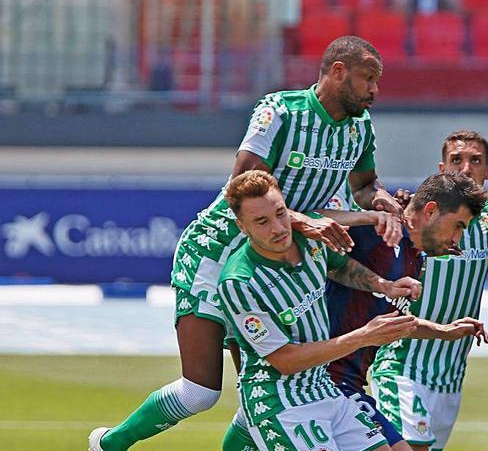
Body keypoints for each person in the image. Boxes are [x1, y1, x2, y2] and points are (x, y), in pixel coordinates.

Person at [89, 35, 403, 451]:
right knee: (201, 391)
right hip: (218, 254)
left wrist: (378, 199)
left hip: (278, 261)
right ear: (338, 72)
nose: (374, 90)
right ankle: (109, 444)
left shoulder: (360, 128)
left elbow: (364, 185)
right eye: (368, 79)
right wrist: (307, 221)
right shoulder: (280, 112)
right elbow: (244, 185)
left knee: (263, 396)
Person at [215, 170, 418, 450]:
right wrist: (365, 336)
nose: (278, 228)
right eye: (261, 222)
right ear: (242, 227)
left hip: (322, 386)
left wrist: (385, 286)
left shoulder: (308, 237)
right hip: (280, 401)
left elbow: (339, 266)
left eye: (280, 213)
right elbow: (286, 360)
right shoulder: (239, 282)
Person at [322, 170, 488, 451]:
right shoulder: (379, 229)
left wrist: (444, 331)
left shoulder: (415, 257)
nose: (457, 240)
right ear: (431, 211)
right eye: (458, 226)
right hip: (323, 382)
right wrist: (367, 218)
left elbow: (391, 322)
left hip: (350, 386)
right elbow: (312, 221)